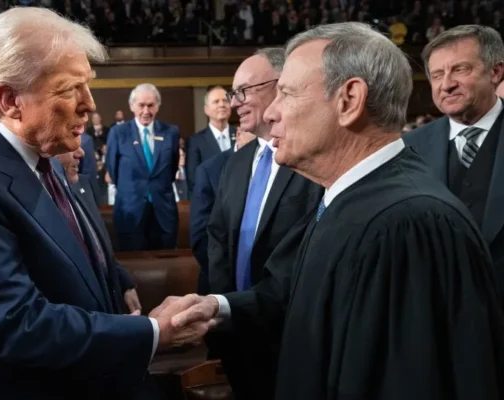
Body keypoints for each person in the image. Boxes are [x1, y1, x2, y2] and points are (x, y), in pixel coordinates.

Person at [152, 22, 504, 399]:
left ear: (349, 100)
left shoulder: (406, 222)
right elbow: (295, 292)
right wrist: (215, 306)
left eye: (286, 93)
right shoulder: (348, 197)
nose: (270, 113)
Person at [0, 8, 210, 400]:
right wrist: (153, 333)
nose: (89, 104)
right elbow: (14, 323)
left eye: (87, 86)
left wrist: (114, 280)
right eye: (69, 90)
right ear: (10, 99)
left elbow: (67, 252)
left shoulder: (42, 157)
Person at [206, 47, 322, 400]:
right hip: (236, 332)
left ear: (281, 86)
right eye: (232, 93)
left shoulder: (309, 159)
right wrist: (225, 309)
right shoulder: (237, 162)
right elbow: (217, 239)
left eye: (244, 90)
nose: (235, 102)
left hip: (290, 334)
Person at [404, 25, 504, 294]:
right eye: (437, 75)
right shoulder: (408, 147)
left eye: (460, 69)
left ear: (495, 72)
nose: (446, 84)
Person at [53, 146, 142, 315]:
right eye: (72, 145)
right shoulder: (43, 198)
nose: (81, 153)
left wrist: (125, 284)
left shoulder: (82, 184)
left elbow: (100, 247)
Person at [106, 83, 180, 251]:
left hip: (163, 214)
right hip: (130, 213)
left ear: (158, 106)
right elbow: (113, 169)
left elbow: (172, 169)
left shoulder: (171, 132)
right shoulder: (118, 133)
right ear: (132, 106)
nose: (146, 111)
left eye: (151, 105)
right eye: (141, 105)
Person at [190, 127, 255, 295]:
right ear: (239, 134)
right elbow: (200, 237)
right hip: (218, 285)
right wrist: (225, 279)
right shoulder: (210, 169)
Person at [186, 86, 235, 194]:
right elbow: (194, 179)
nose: (221, 105)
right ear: (206, 110)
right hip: (212, 202)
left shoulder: (242, 135)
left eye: (225, 100)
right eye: (216, 102)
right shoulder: (196, 141)